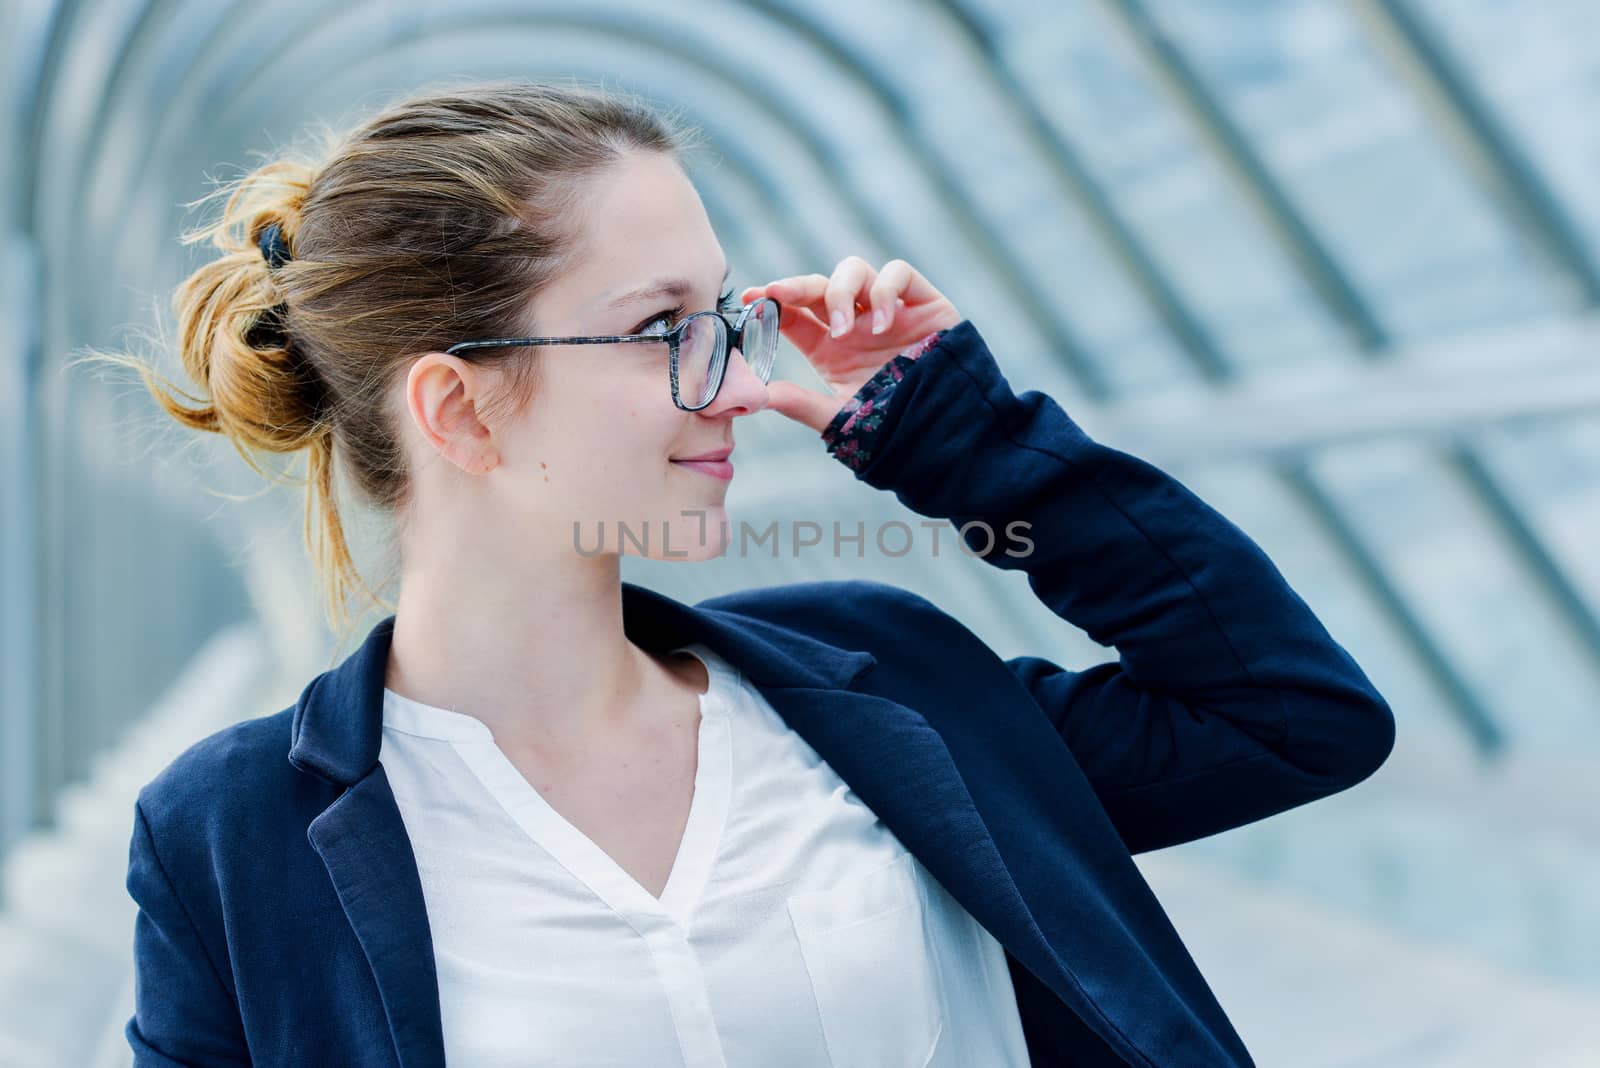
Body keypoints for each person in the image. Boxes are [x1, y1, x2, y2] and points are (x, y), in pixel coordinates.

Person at [109, 80, 1395, 1067]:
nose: (734, 384)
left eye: (726, 320)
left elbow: (1289, 717)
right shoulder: (229, 841)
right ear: (458, 408)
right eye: (664, 330)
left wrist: (967, 437)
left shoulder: (889, 688)